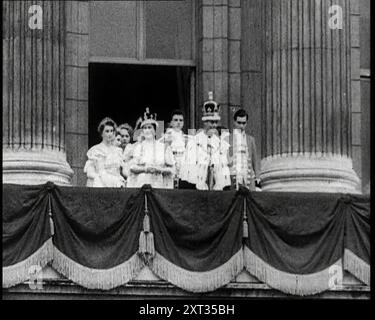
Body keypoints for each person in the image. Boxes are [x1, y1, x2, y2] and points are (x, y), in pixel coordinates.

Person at [180, 92, 231, 190]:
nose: (214, 125)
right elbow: (188, 170)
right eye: (211, 122)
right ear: (205, 122)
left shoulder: (220, 144)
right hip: (197, 188)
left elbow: (223, 170)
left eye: (216, 122)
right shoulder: (194, 142)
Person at [130, 108, 175, 189]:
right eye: (145, 128)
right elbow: (132, 167)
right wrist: (145, 169)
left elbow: (172, 169)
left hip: (158, 184)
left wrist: (160, 170)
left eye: (150, 127)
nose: (147, 130)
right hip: (142, 183)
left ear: (155, 130)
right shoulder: (138, 147)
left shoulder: (163, 147)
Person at [84, 117, 126, 188]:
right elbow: (89, 170)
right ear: (102, 133)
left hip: (115, 183)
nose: (110, 134)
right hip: (100, 183)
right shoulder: (95, 150)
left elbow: (122, 170)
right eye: (107, 131)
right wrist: (97, 177)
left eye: (111, 131)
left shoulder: (118, 151)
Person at [229, 108, 260, 191]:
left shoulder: (250, 139)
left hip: (248, 176)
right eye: (239, 123)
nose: (241, 126)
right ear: (234, 122)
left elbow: (255, 159)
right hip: (233, 177)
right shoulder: (227, 139)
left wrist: (257, 177)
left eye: (244, 123)